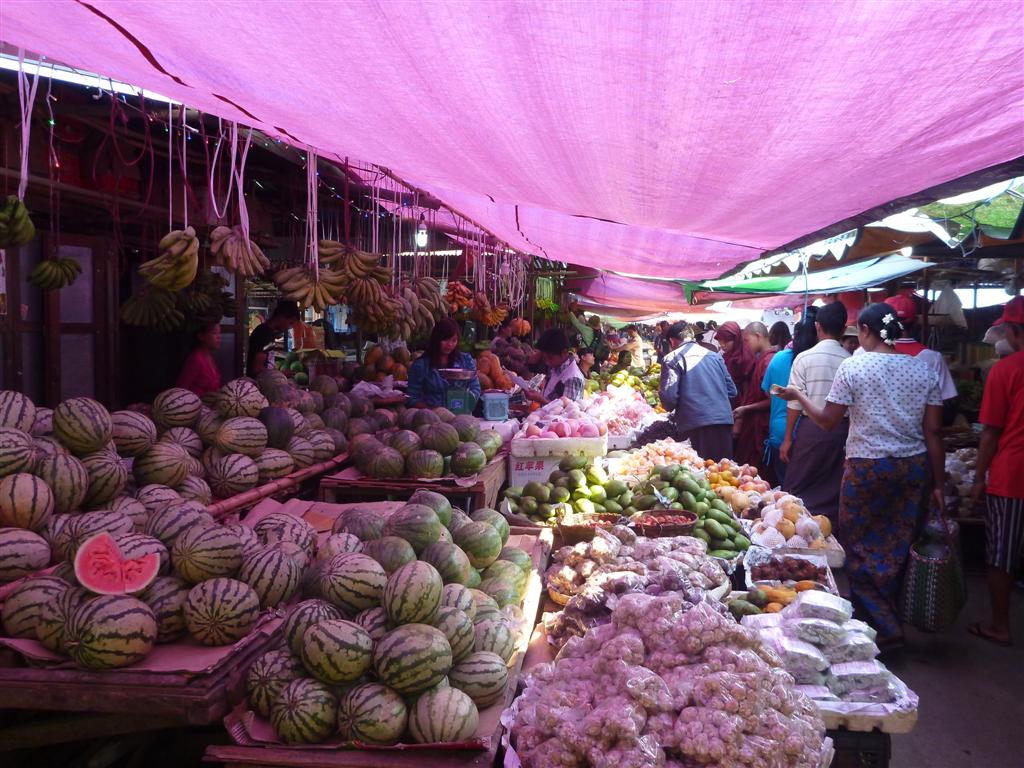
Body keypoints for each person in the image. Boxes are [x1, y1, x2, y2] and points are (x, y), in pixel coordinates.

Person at [779, 303, 944, 648]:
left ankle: (879, 625)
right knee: (896, 543)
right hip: (912, 468)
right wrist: (939, 483)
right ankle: (888, 616)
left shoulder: (854, 367)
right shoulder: (923, 370)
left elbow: (827, 420)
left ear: (866, 331)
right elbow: (934, 433)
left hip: (867, 467)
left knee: (859, 544)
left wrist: (798, 396)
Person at [969, 297, 1024, 647]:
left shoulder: (1005, 370)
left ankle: (1000, 624)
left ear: (1014, 330)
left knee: (1001, 554)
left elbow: (989, 431)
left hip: (1012, 474)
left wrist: (978, 477)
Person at [780, 302, 850, 521]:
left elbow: (794, 402)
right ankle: (828, 534)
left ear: (817, 326)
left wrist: (788, 438)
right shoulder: (850, 360)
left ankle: (796, 529)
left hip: (811, 431)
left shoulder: (804, 358)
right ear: (844, 329)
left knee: (798, 487)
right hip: (842, 431)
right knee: (831, 488)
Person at [660, 322, 737, 460]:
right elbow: (732, 391)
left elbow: (669, 400)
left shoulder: (671, 359)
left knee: (700, 472)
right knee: (723, 473)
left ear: (672, 341)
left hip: (695, 425)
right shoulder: (714, 356)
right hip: (723, 422)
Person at [731, 322, 776, 470]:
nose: (745, 345)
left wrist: (746, 409)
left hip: (762, 422)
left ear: (758, 336)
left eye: (746, 340)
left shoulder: (769, 361)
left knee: (757, 468)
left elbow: (772, 400)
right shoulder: (762, 359)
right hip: (753, 420)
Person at [406, 318, 480, 408]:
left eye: (454, 340)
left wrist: (465, 404)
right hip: (432, 418)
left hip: (461, 415)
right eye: (445, 340)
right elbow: (411, 397)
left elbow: (475, 388)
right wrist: (430, 411)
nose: (449, 345)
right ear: (436, 339)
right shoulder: (421, 366)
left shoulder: (466, 360)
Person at [761, 322, 796, 485]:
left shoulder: (779, 358)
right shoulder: (839, 356)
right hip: (811, 433)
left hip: (780, 430)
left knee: (784, 485)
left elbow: (768, 391)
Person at [526, 328, 585, 404]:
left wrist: (541, 400)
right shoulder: (555, 366)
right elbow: (531, 366)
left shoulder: (573, 378)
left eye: (550, 357)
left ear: (564, 352)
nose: (547, 362)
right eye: (544, 357)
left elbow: (567, 412)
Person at [247, 300, 301, 377]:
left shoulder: (269, 333)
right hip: (258, 384)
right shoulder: (264, 334)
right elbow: (257, 369)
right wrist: (281, 374)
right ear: (281, 317)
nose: (289, 327)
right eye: (290, 323)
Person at [715, 321, 755, 407]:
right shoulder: (725, 355)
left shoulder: (745, 358)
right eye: (720, 341)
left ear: (736, 339)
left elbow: (747, 387)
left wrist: (742, 408)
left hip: (741, 402)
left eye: (726, 342)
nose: (722, 345)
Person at [176, 322, 222, 397]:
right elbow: (181, 389)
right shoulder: (195, 359)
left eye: (219, 333)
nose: (219, 337)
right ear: (201, 336)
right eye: (214, 333)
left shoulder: (210, 357)